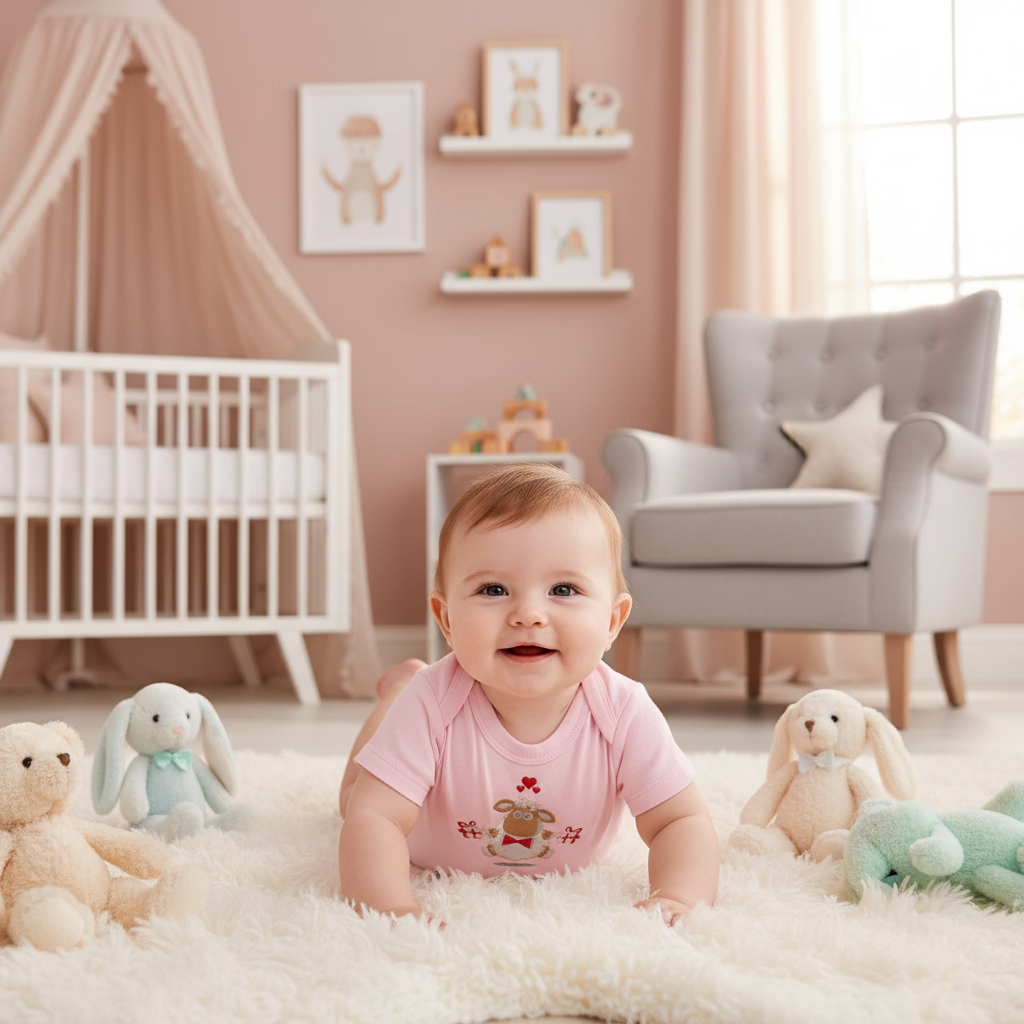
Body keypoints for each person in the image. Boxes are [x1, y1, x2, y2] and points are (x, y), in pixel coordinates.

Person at [338, 463, 719, 925]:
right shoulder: (431, 702)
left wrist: (678, 895)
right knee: (353, 800)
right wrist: (392, 908)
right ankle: (396, 688)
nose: (528, 614)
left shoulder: (624, 710)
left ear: (613, 621)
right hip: (424, 830)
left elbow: (680, 821)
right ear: (447, 619)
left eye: (563, 589)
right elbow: (375, 818)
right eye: (493, 589)